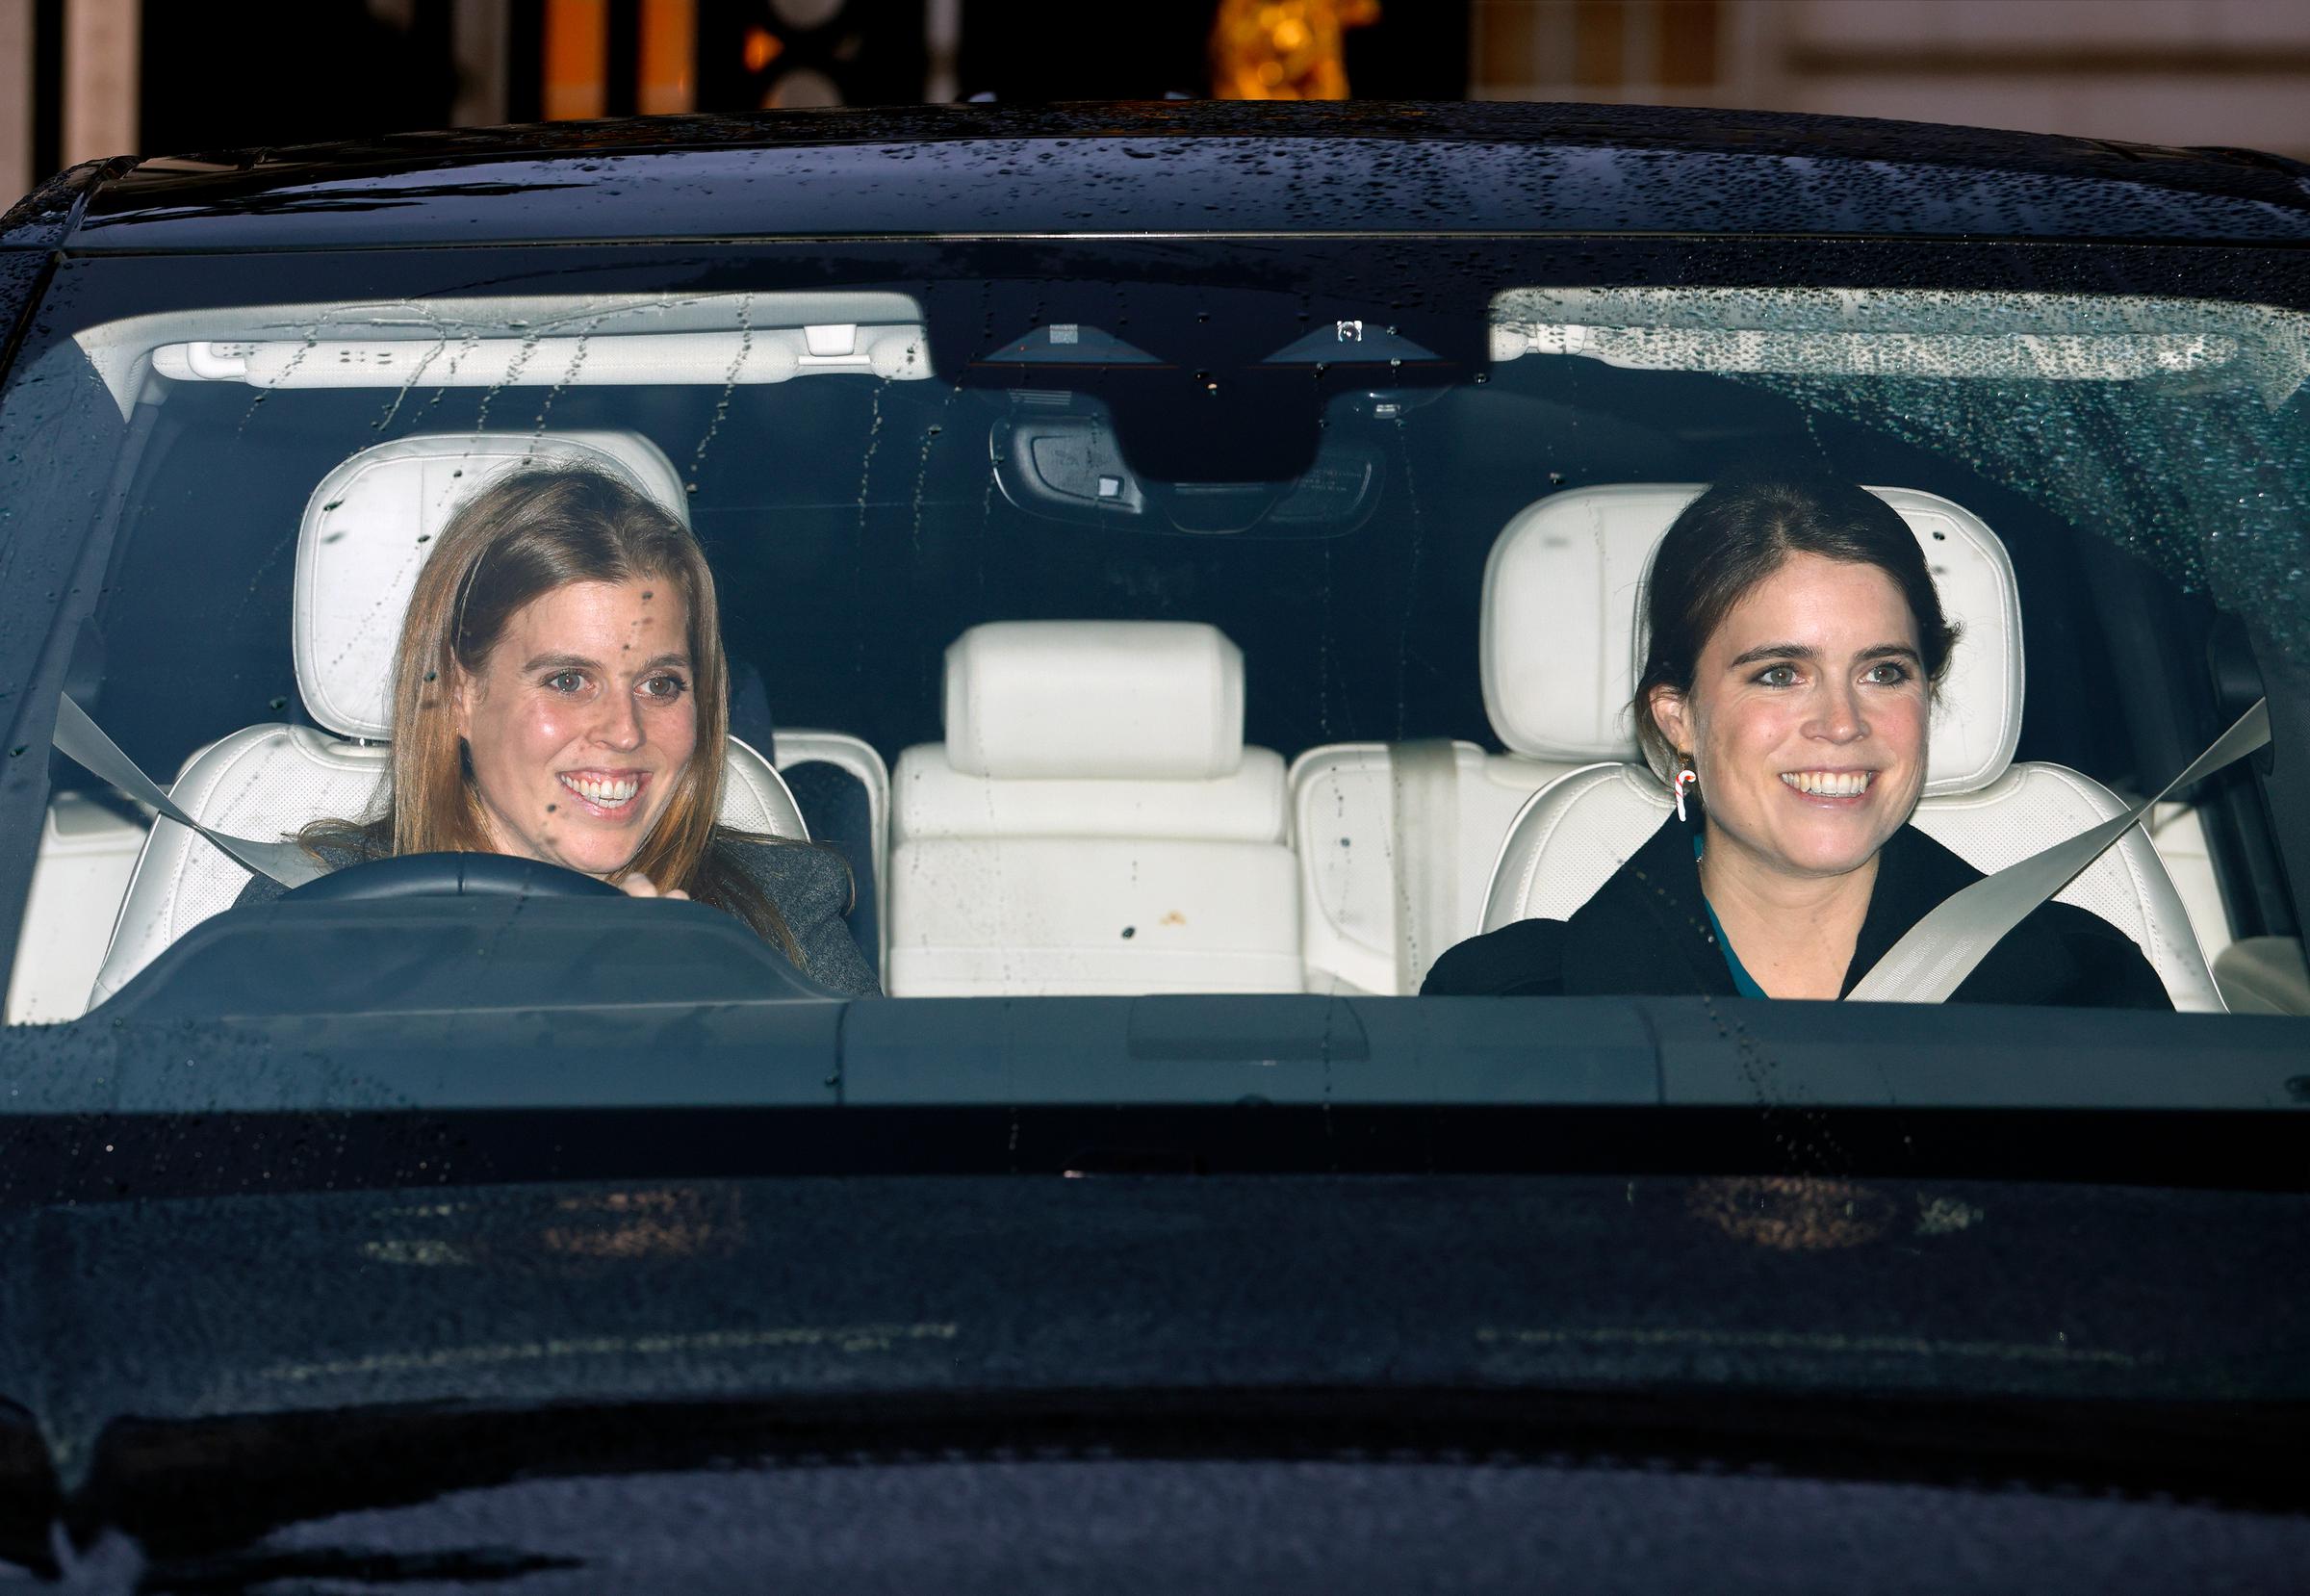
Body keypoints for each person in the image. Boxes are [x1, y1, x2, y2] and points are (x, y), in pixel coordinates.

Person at [1423, 473, 2169, 1009]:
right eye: (1780, 674)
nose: (1843, 723)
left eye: (1883, 671)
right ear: (1677, 716)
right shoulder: (1507, 1005)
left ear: (1928, 691)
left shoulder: (2080, 988)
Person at [236, 468, 880, 998]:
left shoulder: (780, 915)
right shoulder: (313, 918)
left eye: (660, 684)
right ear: (459, 695)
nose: (625, 732)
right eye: (569, 681)